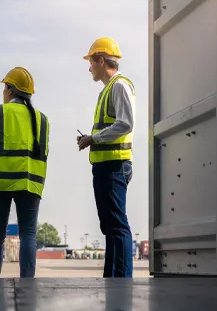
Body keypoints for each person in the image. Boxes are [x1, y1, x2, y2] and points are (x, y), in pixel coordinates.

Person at [0, 67, 49, 278]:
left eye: (4, 88)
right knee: (28, 234)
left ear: (10, 90)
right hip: (30, 183)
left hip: (0, 182)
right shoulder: (42, 119)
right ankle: (27, 283)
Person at [76, 38, 135, 278]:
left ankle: (121, 280)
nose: (89, 68)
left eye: (91, 62)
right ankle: (112, 279)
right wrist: (92, 138)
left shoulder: (119, 86)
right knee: (110, 226)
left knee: (117, 225)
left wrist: (94, 138)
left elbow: (125, 123)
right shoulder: (108, 89)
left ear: (101, 61)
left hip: (114, 165)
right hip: (106, 166)